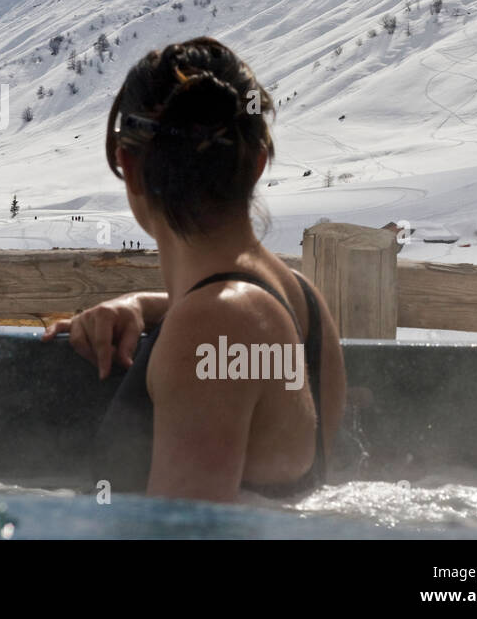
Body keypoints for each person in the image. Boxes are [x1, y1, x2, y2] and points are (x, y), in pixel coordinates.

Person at [43, 37, 345, 503]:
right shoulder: (301, 299)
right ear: (258, 164)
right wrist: (142, 305)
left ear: (129, 164)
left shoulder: (211, 328)